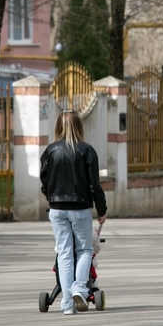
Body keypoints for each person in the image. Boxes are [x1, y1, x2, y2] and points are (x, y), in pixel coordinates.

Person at [40, 111, 107, 315]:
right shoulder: (87, 151)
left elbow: (44, 182)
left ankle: (67, 304)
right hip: (81, 208)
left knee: (64, 253)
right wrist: (101, 210)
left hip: (57, 208)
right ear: (79, 126)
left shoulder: (50, 151)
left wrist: (51, 198)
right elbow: (94, 185)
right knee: (85, 250)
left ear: (58, 126)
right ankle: (79, 288)